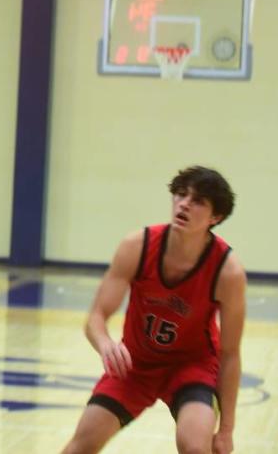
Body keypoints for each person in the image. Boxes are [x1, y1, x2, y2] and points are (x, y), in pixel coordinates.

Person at [62, 166, 245, 454]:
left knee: (196, 447)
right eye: (181, 195)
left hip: (192, 367)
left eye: (198, 201)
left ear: (215, 217)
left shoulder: (227, 270)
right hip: (135, 365)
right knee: (79, 447)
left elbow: (230, 354)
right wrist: (105, 344)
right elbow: (96, 317)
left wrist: (226, 430)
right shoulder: (138, 245)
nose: (184, 203)